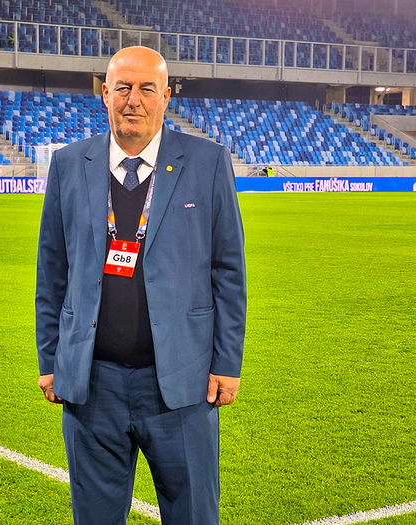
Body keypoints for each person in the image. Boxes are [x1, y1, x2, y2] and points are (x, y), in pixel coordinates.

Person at [36, 46, 246, 525]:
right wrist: (51, 360)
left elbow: (228, 270)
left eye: (147, 89)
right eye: (123, 88)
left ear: (166, 96)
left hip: (183, 383)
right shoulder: (69, 163)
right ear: (104, 93)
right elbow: (52, 270)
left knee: (194, 516)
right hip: (93, 386)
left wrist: (226, 363)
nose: (134, 100)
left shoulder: (208, 161)